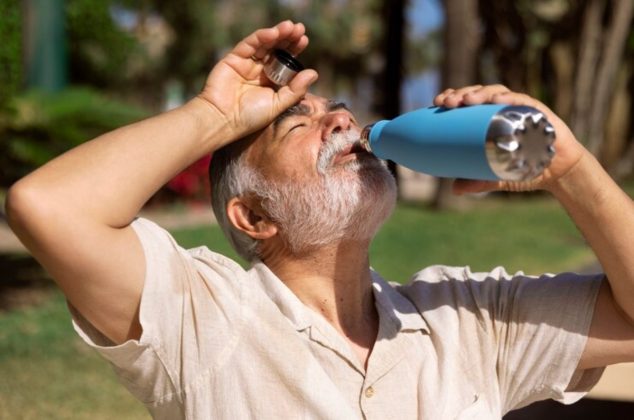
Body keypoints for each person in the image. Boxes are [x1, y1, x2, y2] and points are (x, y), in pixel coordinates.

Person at [5, 21, 634, 419]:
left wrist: (565, 166)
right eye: (299, 125)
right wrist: (214, 116)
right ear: (253, 216)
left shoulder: (467, 319)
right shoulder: (201, 319)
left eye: (337, 112)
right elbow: (50, 207)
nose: (341, 122)